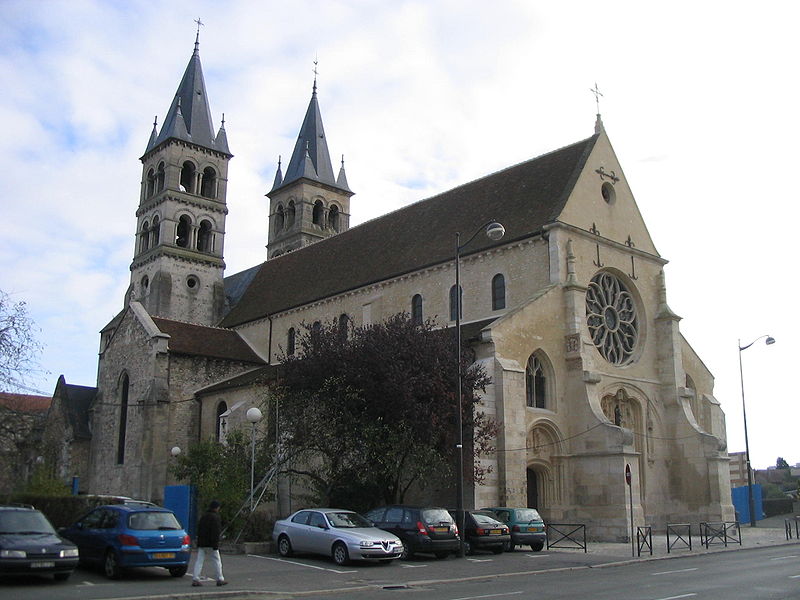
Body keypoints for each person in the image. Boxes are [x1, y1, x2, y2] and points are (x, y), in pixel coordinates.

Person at [191, 500, 227, 587]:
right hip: (211, 543)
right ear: (217, 508)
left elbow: (199, 529)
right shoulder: (215, 517)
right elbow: (215, 532)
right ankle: (220, 579)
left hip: (202, 543)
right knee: (216, 561)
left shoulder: (203, 516)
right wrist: (215, 544)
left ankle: (195, 578)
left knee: (199, 561)